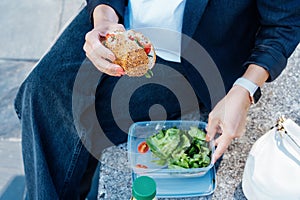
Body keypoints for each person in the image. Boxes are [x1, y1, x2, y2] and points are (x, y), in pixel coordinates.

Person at [14, 0, 299, 199]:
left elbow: (283, 24)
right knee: (39, 93)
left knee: (85, 120)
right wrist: (104, 16)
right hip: (120, 19)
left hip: (194, 51)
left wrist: (244, 90)